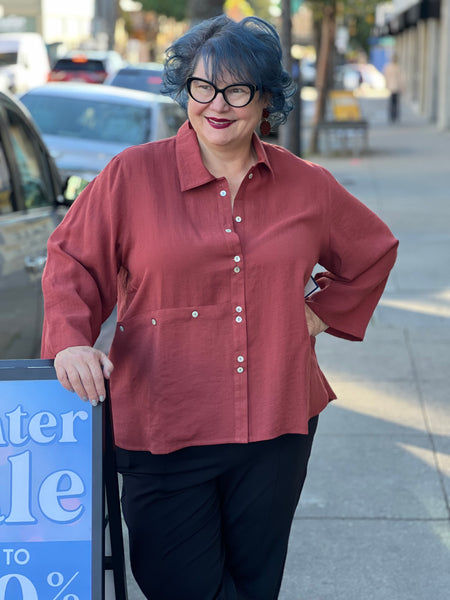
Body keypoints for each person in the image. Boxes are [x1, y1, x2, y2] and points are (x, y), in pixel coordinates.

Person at [41, 15, 399, 600]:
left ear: (264, 100)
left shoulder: (306, 186)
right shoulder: (133, 175)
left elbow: (373, 251)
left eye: (237, 90)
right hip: (163, 425)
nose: (218, 104)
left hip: (275, 426)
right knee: (178, 582)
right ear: (186, 91)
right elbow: (71, 261)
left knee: (254, 585)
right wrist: (71, 339)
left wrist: (317, 312)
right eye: (203, 87)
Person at [383, 53, 405, 122]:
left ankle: (394, 115)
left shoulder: (393, 67)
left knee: (394, 103)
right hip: (394, 87)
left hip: (394, 87)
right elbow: (386, 76)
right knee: (394, 102)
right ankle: (393, 115)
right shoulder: (393, 67)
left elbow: (401, 78)